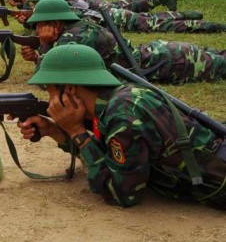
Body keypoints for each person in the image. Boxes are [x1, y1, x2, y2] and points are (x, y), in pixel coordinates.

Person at [17, 43, 226, 209]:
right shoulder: (116, 101)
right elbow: (107, 158)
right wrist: (54, 130)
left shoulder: (122, 115)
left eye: (50, 90)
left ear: (70, 89)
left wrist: (76, 131)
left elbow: (122, 194)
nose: (49, 98)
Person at [21, 0, 226, 84]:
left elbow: (47, 81)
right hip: (164, 53)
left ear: (56, 23)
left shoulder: (73, 39)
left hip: (173, 63)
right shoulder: (79, 27)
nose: (38, 30)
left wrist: (45, 45)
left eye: (40, 25)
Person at [27, 0, 226, 34]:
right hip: (109, 16)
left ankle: (207, 25)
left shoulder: (62, 10)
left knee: (156, 24)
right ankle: (183, 13)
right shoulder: (62, 7)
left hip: (111, 18)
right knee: (148, 17)